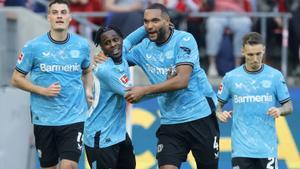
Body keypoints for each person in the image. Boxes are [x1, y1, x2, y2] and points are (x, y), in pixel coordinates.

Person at [94, 3, 219, 169]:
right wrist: (104, 56)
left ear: (168, 22)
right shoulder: (142, 49)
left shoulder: (184, 39)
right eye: (146, 22)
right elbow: (118, 50)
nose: (149, 26)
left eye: (155, 21)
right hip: (170, 122)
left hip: (200, 117)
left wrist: (145, 90)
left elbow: (182, 81)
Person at [10, 0, 93, 169]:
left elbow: (87, 70)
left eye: (63, 12)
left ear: (70, 17)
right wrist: (42, 90)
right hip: (44, 119)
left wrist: (88, 90)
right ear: (49, 17)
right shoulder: (33, 47)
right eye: (55, 12)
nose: (59, 16)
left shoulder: (82, 45)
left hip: (74, 118)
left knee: (69, 166)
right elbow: (16, 79)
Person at [216, 32, 293, 169]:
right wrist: (219, 114)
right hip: (241, 149)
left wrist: (280, 110)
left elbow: (289, 106)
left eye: (259, 54)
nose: (255, 59)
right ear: (242, 52)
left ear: (264, 50)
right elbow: (217, 106)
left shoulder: (275, 76)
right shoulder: (231, 77)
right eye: (250, 55)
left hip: (267, 149)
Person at [84, 25, 147, 169]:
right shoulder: (106, 70)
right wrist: (169, 88)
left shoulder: (122, 52)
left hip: (119, 133)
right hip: (100, 136)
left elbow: (132, 39)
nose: (113, 44)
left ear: (121, 39)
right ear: (101, 48)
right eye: (107, 43)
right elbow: (134, 96)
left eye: (115, 39)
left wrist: (149, 25)